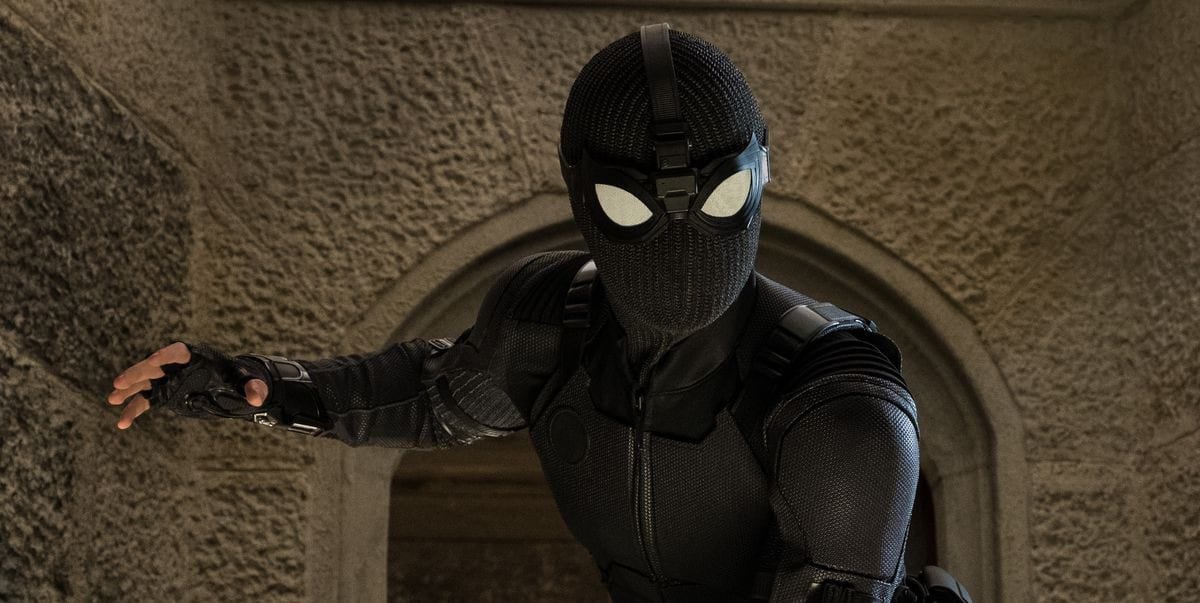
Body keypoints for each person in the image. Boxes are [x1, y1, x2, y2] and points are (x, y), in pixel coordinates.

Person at [107, 24, 972, 603]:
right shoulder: (552, 320)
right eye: (635, 203)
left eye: (716, 193)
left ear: (757, 173)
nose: (679, 235)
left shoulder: (840, 405)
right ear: (586, 192)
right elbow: (434, 394)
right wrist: (261, 386)